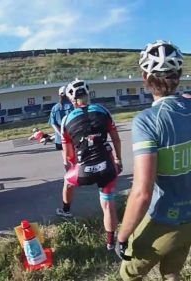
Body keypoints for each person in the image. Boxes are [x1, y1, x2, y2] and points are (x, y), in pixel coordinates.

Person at [115, 40, 191, 281]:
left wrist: (122, 236)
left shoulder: (146, 121)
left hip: (163, 221)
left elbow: (142, 194)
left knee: (128, 276)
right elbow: (185, 98)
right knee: (172, 272)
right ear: (179, 75)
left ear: (145, 78)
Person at [55, 79, 123, 250]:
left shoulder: (66, 120)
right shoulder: (103, 110)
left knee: (67, 182)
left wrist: (71, 167)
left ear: (72, 100)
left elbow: (68, 156)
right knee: (108, 205)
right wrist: (118, 160)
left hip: (83, 170)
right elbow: (116, 139)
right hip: (107, 167)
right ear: (88, 94)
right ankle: (110, 243)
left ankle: (66, 210)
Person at [49, 86, 74, 151]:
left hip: (59, 140)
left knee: (65, 157)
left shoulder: (54, 108)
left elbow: (53, 124)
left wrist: (61, 134)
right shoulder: (73, 106)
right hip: (72, 138)